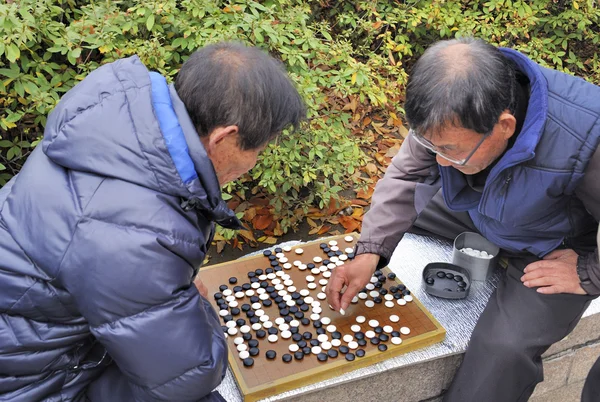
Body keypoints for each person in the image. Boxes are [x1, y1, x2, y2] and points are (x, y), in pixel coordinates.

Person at [0, 42, 305, 401]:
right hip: (29, 380)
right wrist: (201, 309)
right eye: (259, 148)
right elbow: (191, 374)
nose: (255, 160)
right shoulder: (141, 233)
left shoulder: (120, 122)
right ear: (224, 138)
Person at [326, 37, 600, 401]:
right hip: (479, 207)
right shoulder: (447, 110)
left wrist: (588, 272)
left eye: (449, 150)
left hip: (553, 242)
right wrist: (369, 253)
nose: (438, 161)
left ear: (504, 125)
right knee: (389, 226)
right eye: (431, 146)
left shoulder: (588, 135)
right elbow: (408, 177)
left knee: (503, 348)